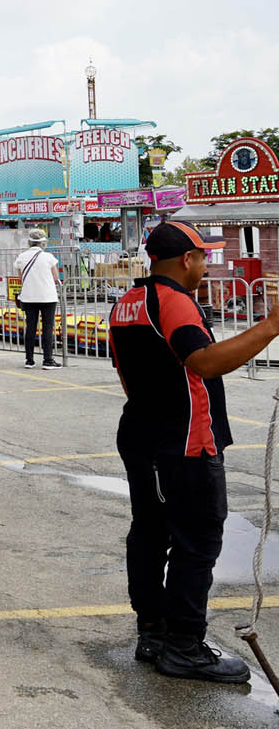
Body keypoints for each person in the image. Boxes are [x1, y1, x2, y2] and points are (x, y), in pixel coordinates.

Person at [111, 221, 279, 684]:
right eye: (204, 257)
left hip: (144, 433)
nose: (206, 265)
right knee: (197, 540)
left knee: (150, 532)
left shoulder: (127, 301)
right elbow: (203, 362)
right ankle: (184, 645)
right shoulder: (174, 301)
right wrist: (271, 326)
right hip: (182, 442)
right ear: (187, 259)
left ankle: (154, 631)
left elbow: (125, 372)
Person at [14, 228, 62, 368]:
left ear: (29, 242)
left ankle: (29, 360)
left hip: (29, 297)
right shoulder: (48, 257)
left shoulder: (21, 257)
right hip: (47, 297)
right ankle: (48, 360)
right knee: (47, 327)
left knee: (30, 327)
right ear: (42, 243)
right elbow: (55, 277)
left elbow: (21, 277)